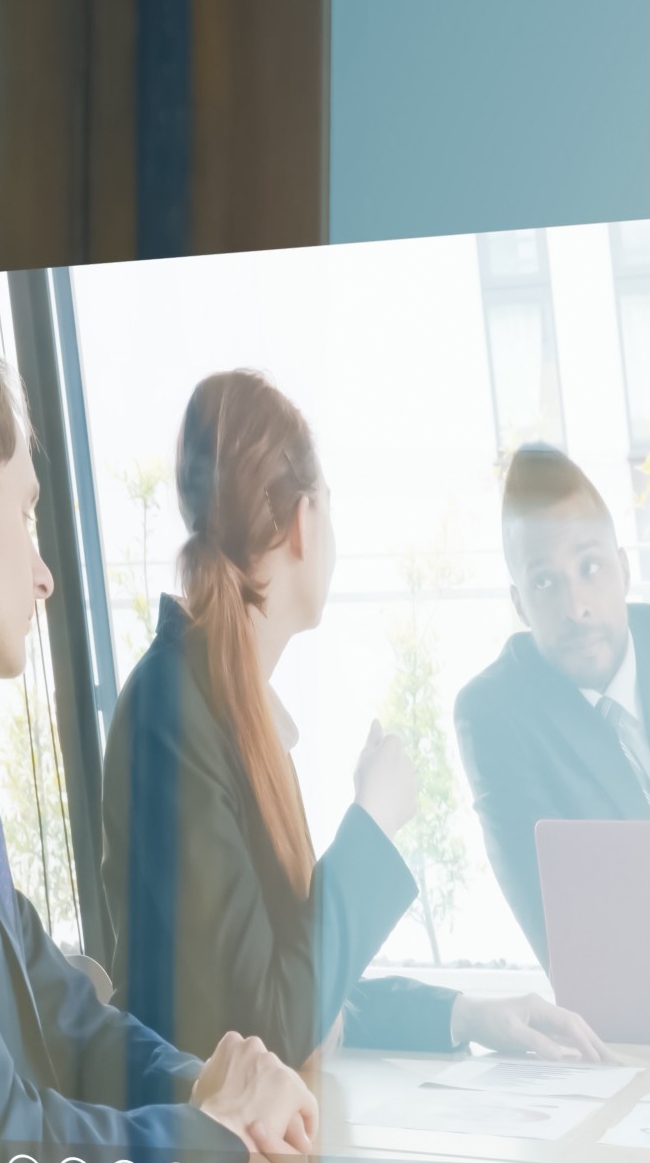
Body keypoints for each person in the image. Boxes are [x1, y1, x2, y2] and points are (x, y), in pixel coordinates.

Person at [0, 295, 311, 1163]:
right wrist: (209, 1146)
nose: (47, 572)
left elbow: (66, 1013)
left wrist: (207, 1087)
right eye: (29, 511)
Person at [96, 371, 605, 1071]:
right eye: (330, 507)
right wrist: (372, 821)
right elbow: (269, 1023)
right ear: (304, 522)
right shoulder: (174, 713)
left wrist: (471, 1013)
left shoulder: (221, 703)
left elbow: (302, 979)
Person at [451, 442, 650, 952]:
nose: (575, 605)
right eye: (545, 582)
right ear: (519, 603)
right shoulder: (495, 716)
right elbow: (565, 940)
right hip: (637, 1018)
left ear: (623, 569)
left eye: (590, 567)